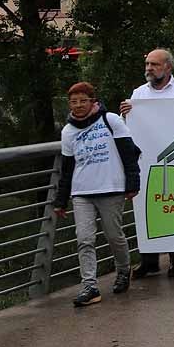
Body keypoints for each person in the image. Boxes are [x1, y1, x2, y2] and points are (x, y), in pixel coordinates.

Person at [55, 83, 141, 306]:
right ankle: (90, 287)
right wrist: (61, 200)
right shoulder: (68, 131)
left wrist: (132, 183)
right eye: (73, 102)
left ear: (93, 101)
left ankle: (123, 270)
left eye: (83, 100)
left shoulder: (110, 120)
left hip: (110, 187)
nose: (78, 105)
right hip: (81, 191)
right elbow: (67, 168)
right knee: (84, 239)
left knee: (114, 235)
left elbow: (129, 153)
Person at [120, 48, 174, 278]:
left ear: (168, 67)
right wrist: (125, 114)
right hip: (147, 161)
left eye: (154, 64)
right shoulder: (139, 94)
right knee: (146, 209)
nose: (149, 68)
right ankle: (149, 260)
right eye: (147, 64)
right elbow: (129, 126)